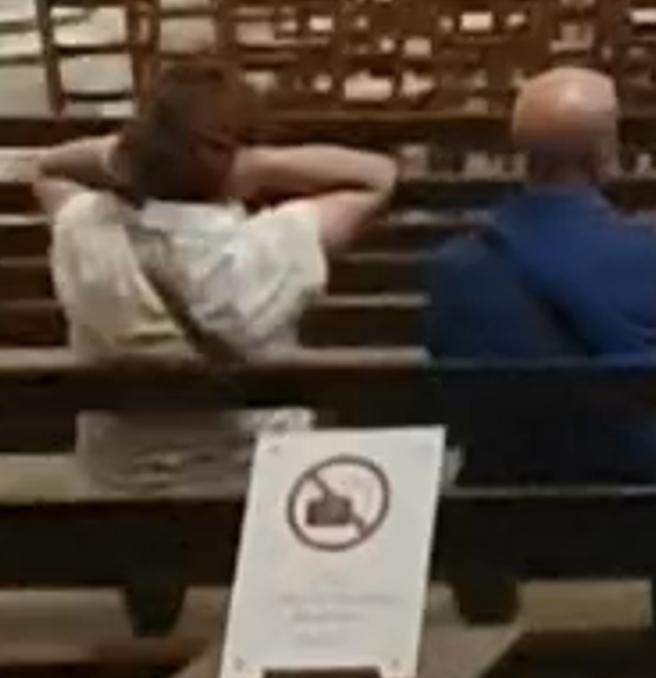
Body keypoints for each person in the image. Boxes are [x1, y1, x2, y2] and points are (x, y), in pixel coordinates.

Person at [33, 55, 399, 499]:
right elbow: (378, 177)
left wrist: (127, 154)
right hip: (256, 482)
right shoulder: (268, 245)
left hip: (117, 483)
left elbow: (48, 167)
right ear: (235, 160)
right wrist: (263, 164)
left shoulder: (84, 231)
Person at [425, 63, 656, 481]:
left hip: (501, 481)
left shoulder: (454, 266)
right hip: (631, 482)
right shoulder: (648, 250)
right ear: (605, 154)